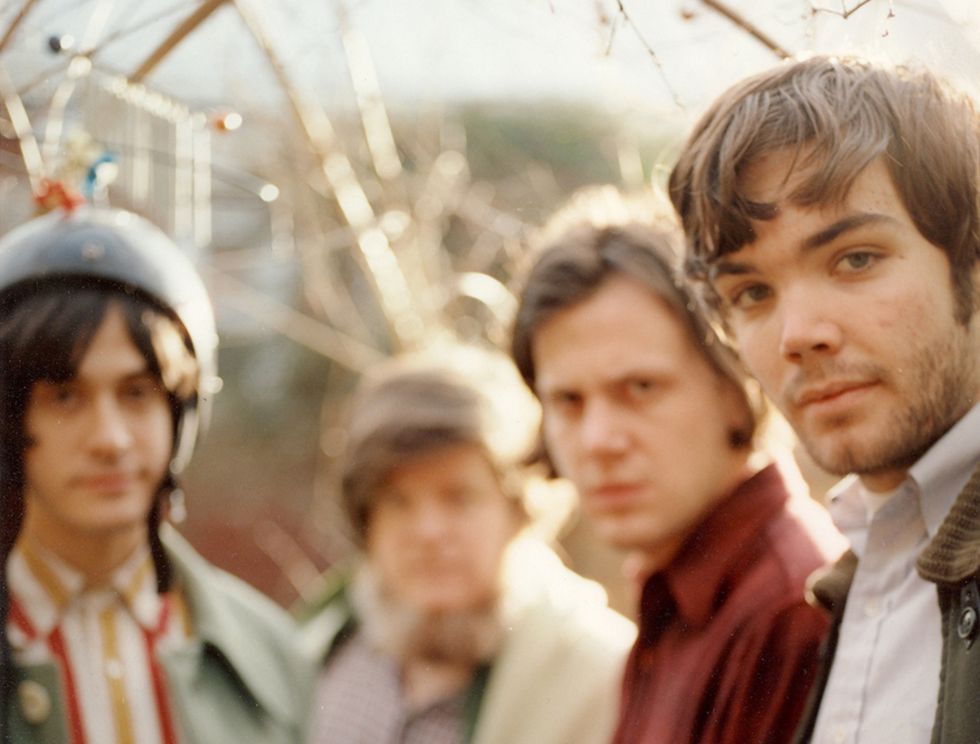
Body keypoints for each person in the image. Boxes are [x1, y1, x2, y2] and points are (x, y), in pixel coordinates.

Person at [668, 55, 980, 743]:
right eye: (752, 292)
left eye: (856, 259)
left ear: (970, 259)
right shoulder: (859, 575)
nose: (799, 335)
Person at [508, 188, 844, 744]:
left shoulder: (789, 611)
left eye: (640, 387)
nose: (598, 440)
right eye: (568, 401)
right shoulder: (673, 593)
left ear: (735, 387)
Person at [0, 206, 309, 744]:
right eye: (65, 397)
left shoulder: (272, 656)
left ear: (181, 411)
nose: (111, 440)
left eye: (137, 393)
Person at [299, 358, 635, 744]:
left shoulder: (599, 674)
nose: (428, 532)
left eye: (459, 498)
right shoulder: (318, 648)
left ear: (517, 510)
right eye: (398, 501)